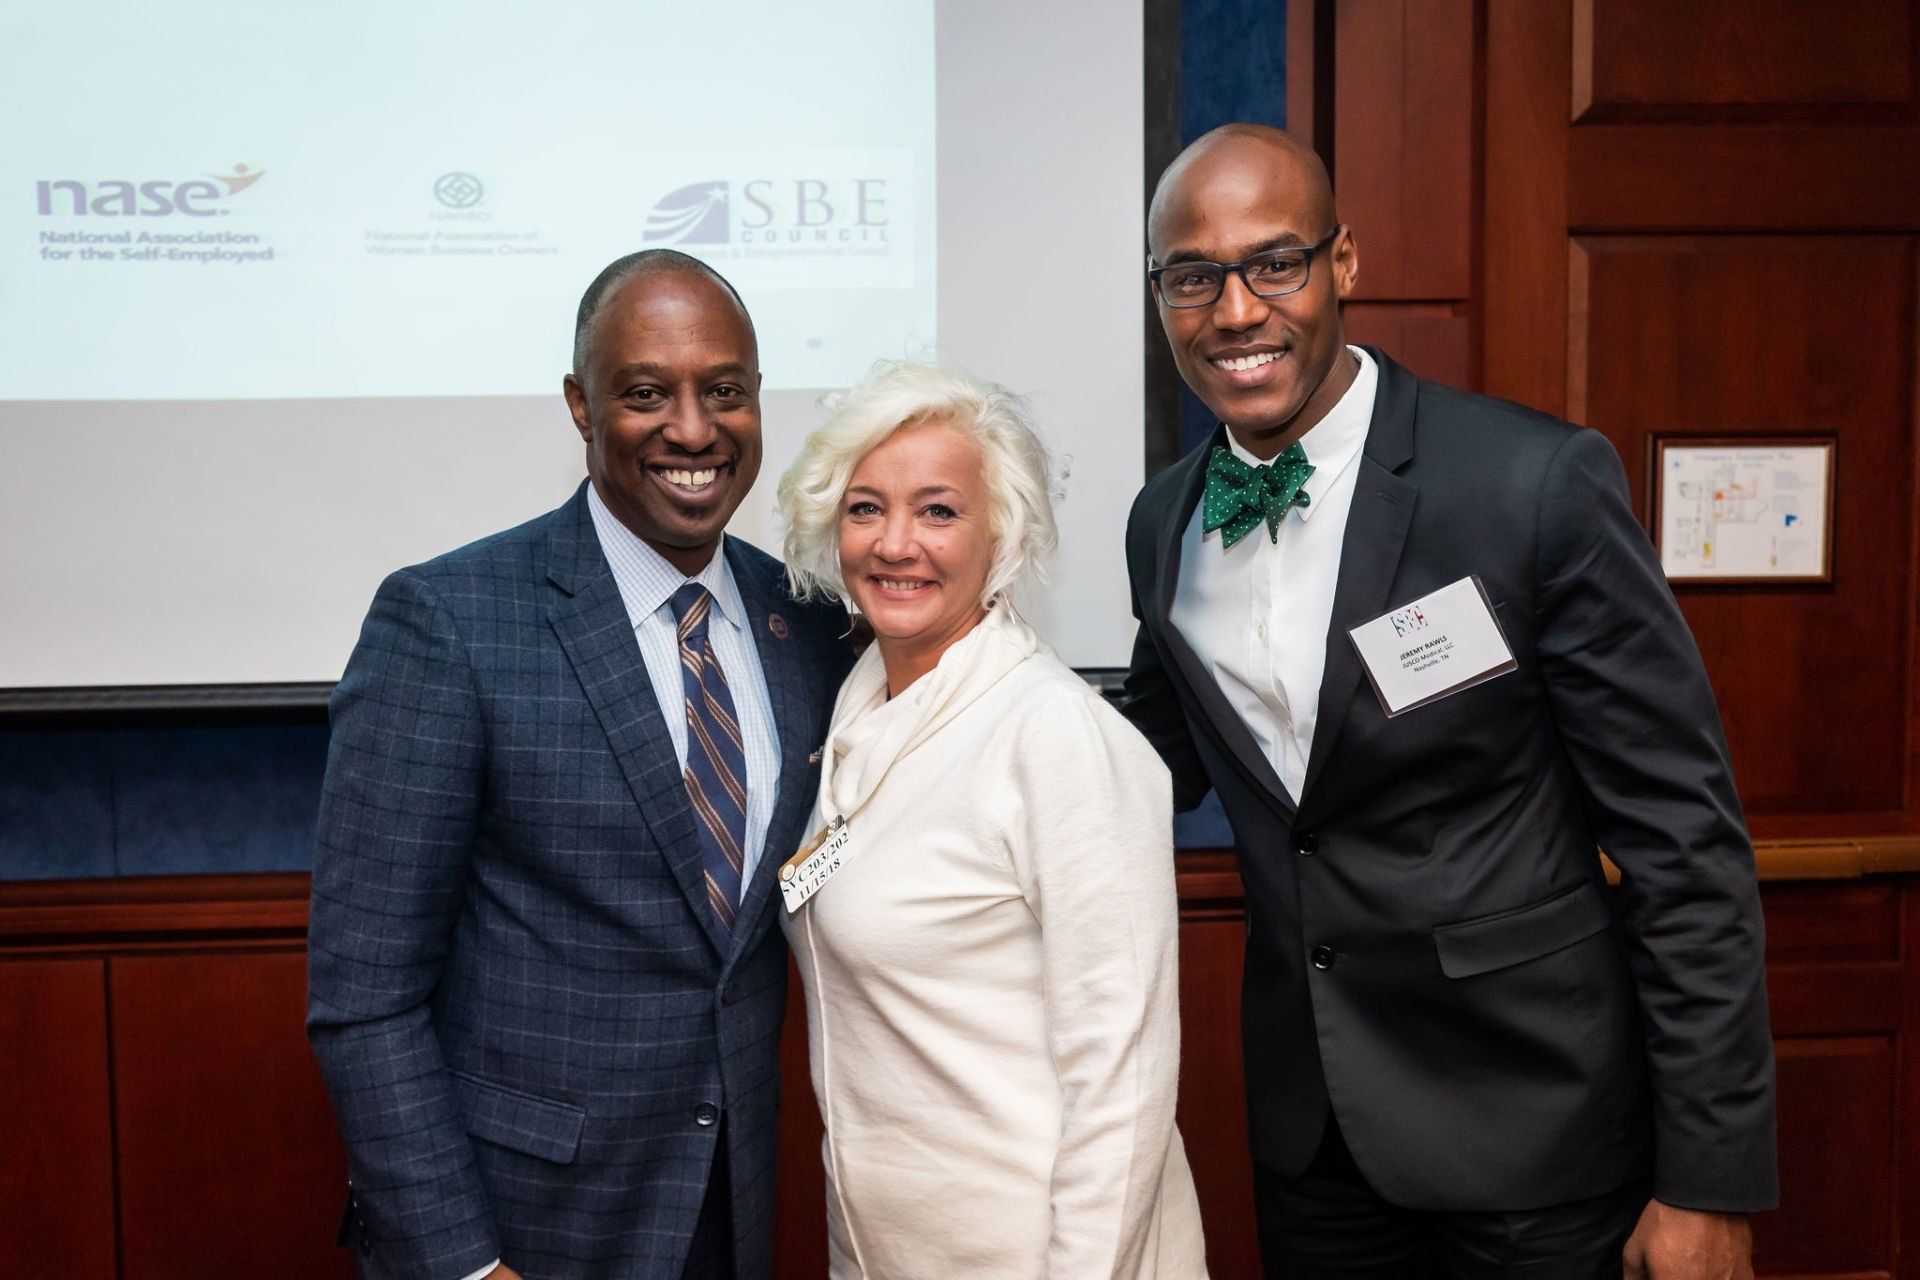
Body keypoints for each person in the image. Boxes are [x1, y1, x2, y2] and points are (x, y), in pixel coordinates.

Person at [1120, 124, 1776, 1277]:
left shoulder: (1528, 483)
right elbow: (1141, 758)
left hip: (1537, 1134)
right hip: (1315, 1141)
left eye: (1275, 262)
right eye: (1193, 275)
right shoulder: (1165, 520)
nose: (1234, 311)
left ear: (1344, 263)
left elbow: (1683, 843)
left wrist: (1708, 1179)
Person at [307, 249, 851, 1280]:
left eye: (724, 391)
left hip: (730, 1209)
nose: (693, 430)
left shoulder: (811, 626)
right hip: (523, 1227)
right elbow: (363, 996)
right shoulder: (450, 621)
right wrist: (463, 1263)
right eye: (647, 393)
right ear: (580, 404)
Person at [772, 360, 1210, 1278]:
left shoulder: (1057, 738)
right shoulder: (858, 710)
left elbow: (1121, 1085)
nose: (896, 544)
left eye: (938, 510)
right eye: (865, 508)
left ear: (1000, 535)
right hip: (886, 1251)